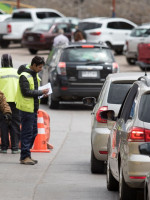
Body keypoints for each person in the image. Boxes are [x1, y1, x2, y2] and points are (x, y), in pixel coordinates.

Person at [15, 56, 49, 165]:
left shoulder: (34, 75)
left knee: (33, 132)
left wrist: (41, 94)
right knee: (27, 133)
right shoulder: (24, 76)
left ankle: (26, 154)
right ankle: (24, 156)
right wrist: (40, 92)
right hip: (26, 109)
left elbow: (34, 91)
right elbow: (26, 92)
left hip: (33, 109)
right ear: (33, 65)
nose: (40, 69)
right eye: (39, 67)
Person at [0, 54, 20, 154]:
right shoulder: (17, 72)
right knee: (15, 125)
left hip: (2, 102)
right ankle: (15, 148)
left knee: (3, 124)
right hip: (16, 101)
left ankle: (4, 148)